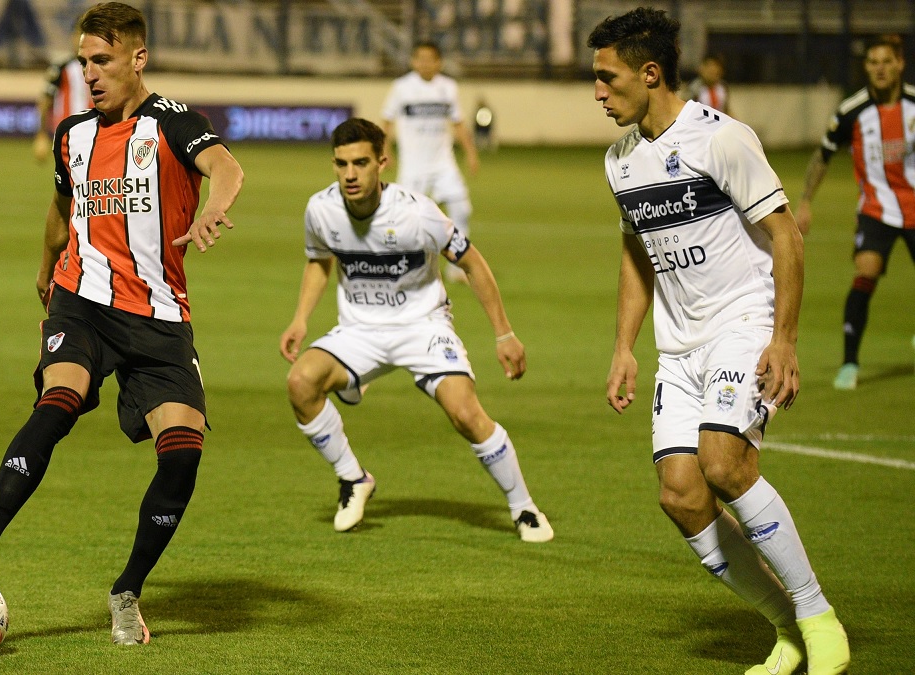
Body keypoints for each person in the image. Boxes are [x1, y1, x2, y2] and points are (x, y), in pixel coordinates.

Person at [0, 1, 244, 647]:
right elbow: (61, 203)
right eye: (84, 61)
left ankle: (128, 590)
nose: (91, 73)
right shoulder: (73, 134)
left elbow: (227, 166)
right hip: (83, 298)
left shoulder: (173, 122)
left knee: (183, 456)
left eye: (102, 60)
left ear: (138, 58)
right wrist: (47, 263)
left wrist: (216, 207)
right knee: (61, 397)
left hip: (159, 314)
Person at [590, 8, 849, 675]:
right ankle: (784, 627)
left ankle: (818, 616)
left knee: (725, 463)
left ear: (649, 73)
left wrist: (783, 340)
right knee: (680, 492)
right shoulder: (620, 162)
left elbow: (786, 235)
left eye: (606, 77)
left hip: (740, 321)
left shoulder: (721, 138)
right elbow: (636, 256)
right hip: (679, 348)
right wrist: (625, 345)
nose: (597, 92)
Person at [280, 117, 552, 542]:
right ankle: (353, 478)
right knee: (300, 383)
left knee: (465, 414)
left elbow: (472, 263)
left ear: (382, 163)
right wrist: (300, 318)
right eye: (341, 164)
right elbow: (319, 261)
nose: (350, 174)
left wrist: (503, 333)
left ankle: (524, 508)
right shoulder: (321, 209)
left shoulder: (418, 213)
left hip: (422, 327)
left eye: (361, 163)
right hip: (360, 330)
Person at [795, 34, 915, 390]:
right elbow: (822, 157)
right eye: (873, 62)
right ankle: (849, 363)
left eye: (886, 62)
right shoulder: (852, 111)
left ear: (900, 65)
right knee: (867, 270)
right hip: (876, 208)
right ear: (866, 68)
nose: (879, 69)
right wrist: (804, 201)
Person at [382, 41, 480, 283]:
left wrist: (470, 153)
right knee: (406, 216)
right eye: (420, 59)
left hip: (443, 163)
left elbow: (458, 123)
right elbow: (387, 121)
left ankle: (457, 269)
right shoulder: (402, 87)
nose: (425, 64)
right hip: (413, 164)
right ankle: (405, 264)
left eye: (430, 59)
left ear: (439, 62)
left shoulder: (448, 87)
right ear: (413, 62)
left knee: (461, 208)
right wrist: (386, 150)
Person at [33, 50, 93, 162]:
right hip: (67, 131)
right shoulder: (62, 67)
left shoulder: (100, 65)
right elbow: (46, 99)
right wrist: (42, 134)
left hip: (94, 128)